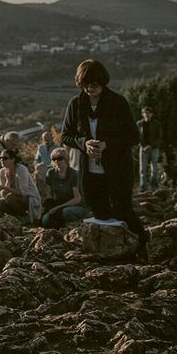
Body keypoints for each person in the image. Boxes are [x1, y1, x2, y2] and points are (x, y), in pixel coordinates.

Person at [61, 59, 148, 249]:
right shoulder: (76, 104)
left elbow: (134, 136)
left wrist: (107, 144)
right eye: (86, 85)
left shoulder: (118, 102)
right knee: (100, 212)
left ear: (102, 82)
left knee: (123, 210)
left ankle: (143, 245)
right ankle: (112, 250)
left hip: (118, 168)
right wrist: (84, 143)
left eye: (94, 85)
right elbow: (66, 136)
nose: (90, 89)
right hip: (91, 171)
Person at [0, 149, 40, 223]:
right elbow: (3, 194)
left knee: (10, 198)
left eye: (5, 158)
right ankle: (16, 218)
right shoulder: (2, 172)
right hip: (13, 199)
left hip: (29, 198)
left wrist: (4, 187)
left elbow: (23, 193)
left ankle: (24, 216)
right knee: (0, 204)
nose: (2, 160)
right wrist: (8, 181)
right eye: (0, 158)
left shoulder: (21, 169)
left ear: (13, 159)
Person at [40, 148, 86, 228]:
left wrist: (60, 207)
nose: (57, 161)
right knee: (45, 220)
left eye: (60, 158)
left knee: (66, 212)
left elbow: (77, 198)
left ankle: (76, 222)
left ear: (66, 159)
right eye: (54, 159)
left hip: (75, 205)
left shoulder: (73, 173)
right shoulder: (51, 173)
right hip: (58, 205)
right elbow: (49, 194)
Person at [136, 107, 163, 192]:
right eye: (145, 113)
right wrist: (142, 146)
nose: (147, 114)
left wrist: (151, 146)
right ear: (142, 114)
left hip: (154, 148)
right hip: (143, 148)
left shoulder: (156, 124)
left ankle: (154, 187)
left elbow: (159, 137)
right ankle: (143, 188)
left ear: (152, 114)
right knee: (142, 169)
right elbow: (137, 137)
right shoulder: (139, 124)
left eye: (148, 113)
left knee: (154, 169)